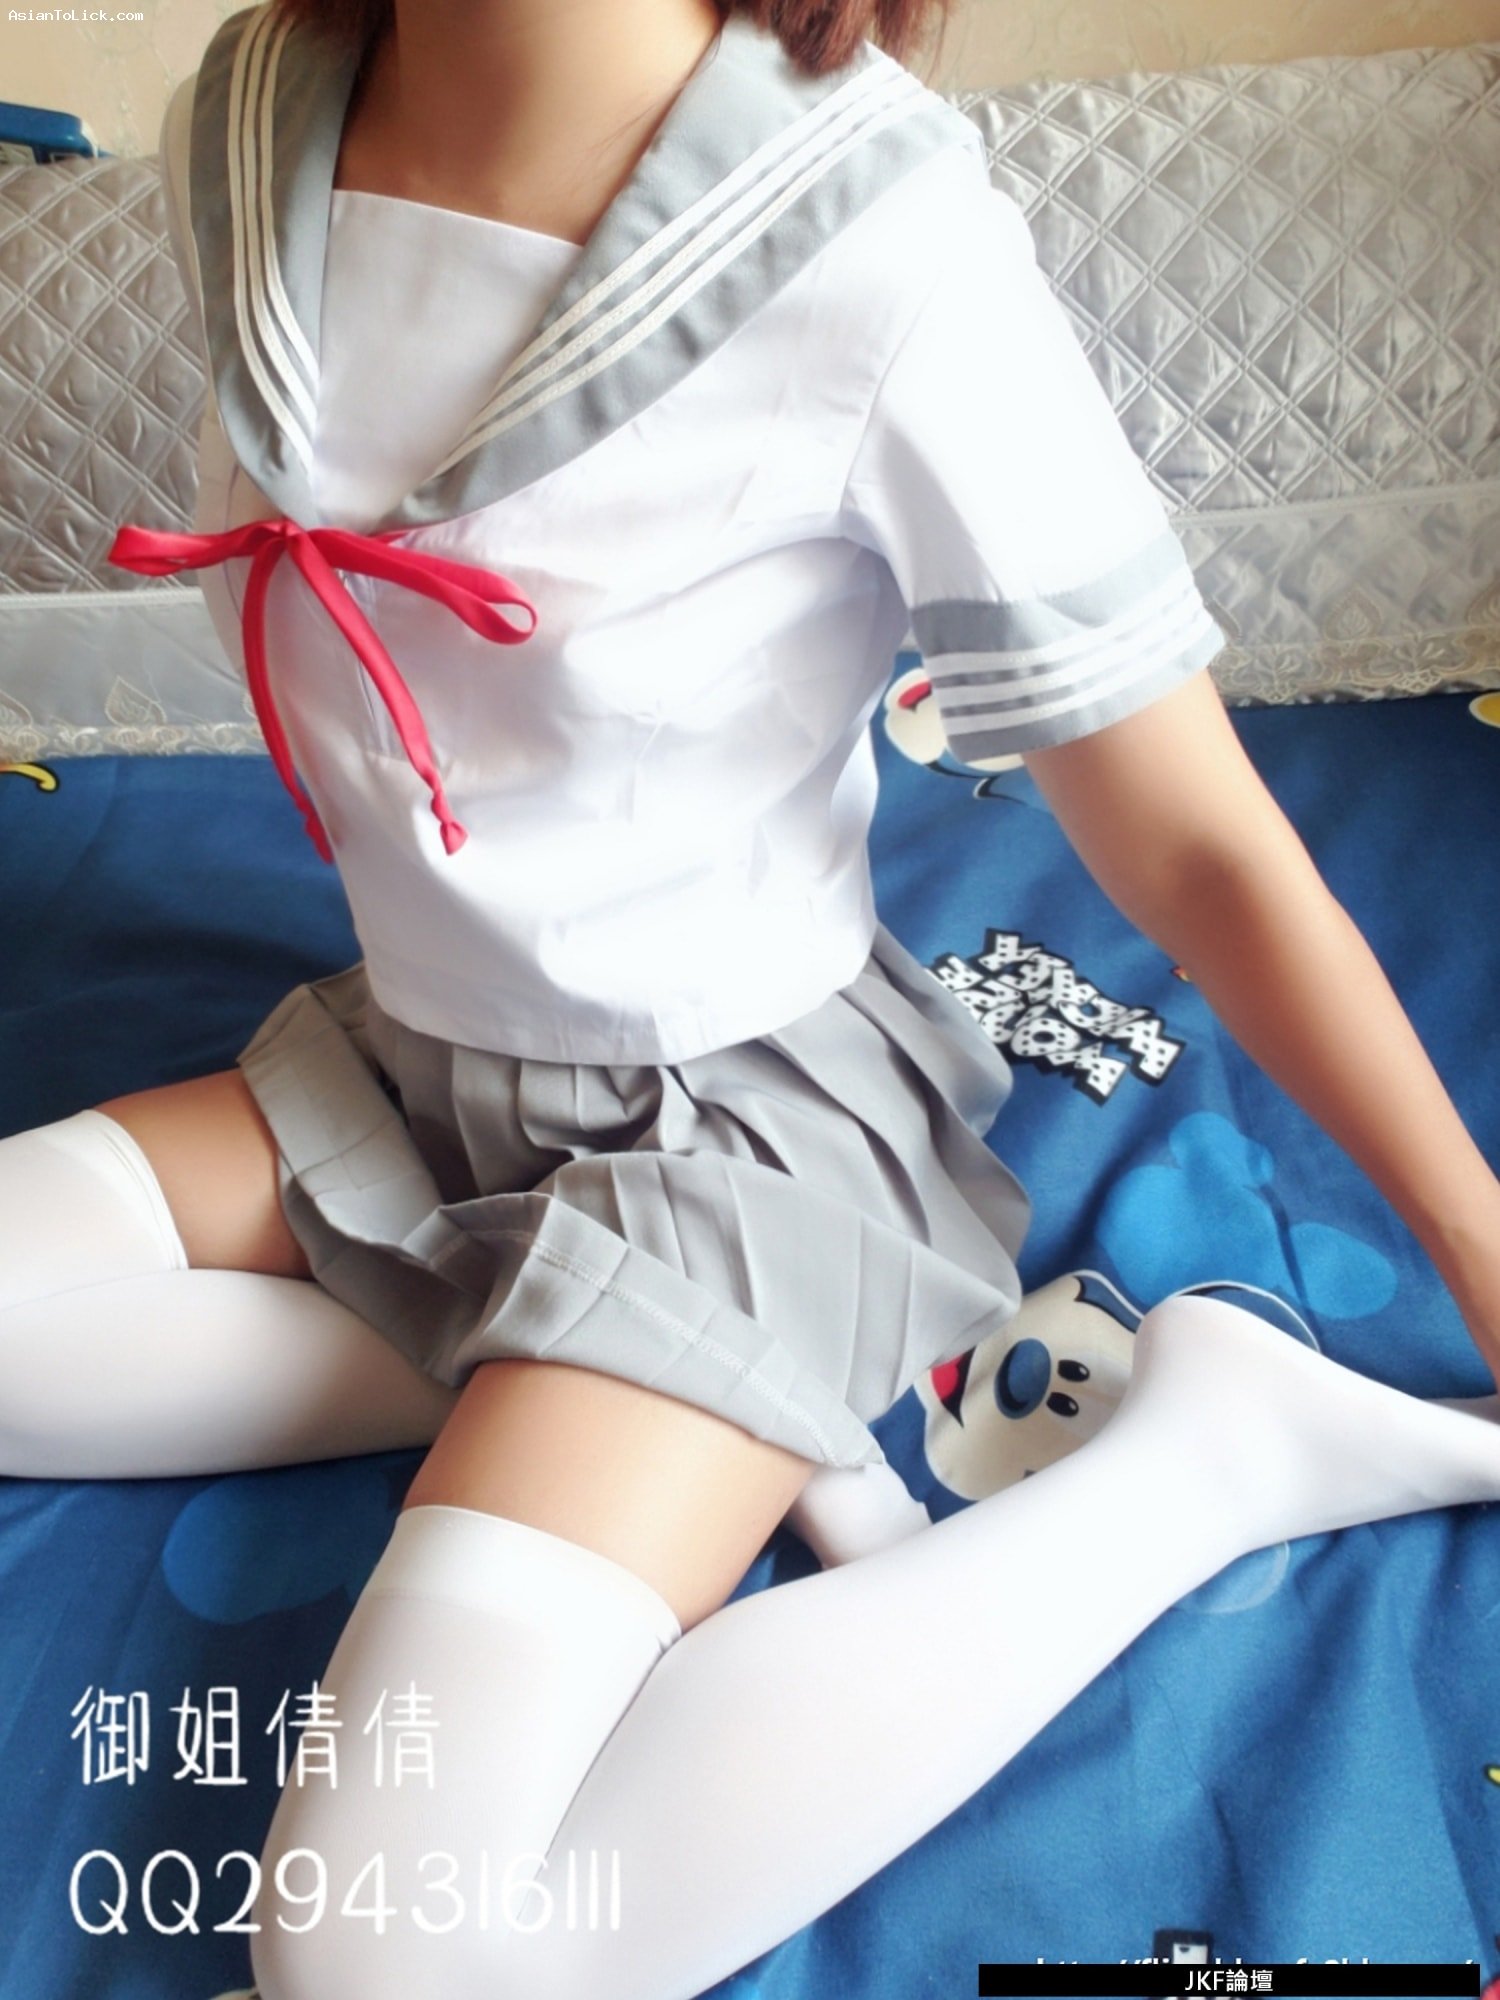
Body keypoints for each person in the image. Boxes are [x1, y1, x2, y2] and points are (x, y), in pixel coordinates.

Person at [4, 0, 1500, 1994]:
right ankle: (575, 1363)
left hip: (732, 1140)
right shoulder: (260, 119)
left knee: (375, 1961)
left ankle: (1212, 1457)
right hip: (417, 1066)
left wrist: (1481, 1249)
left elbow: (1198, 844)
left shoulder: (873, 239)